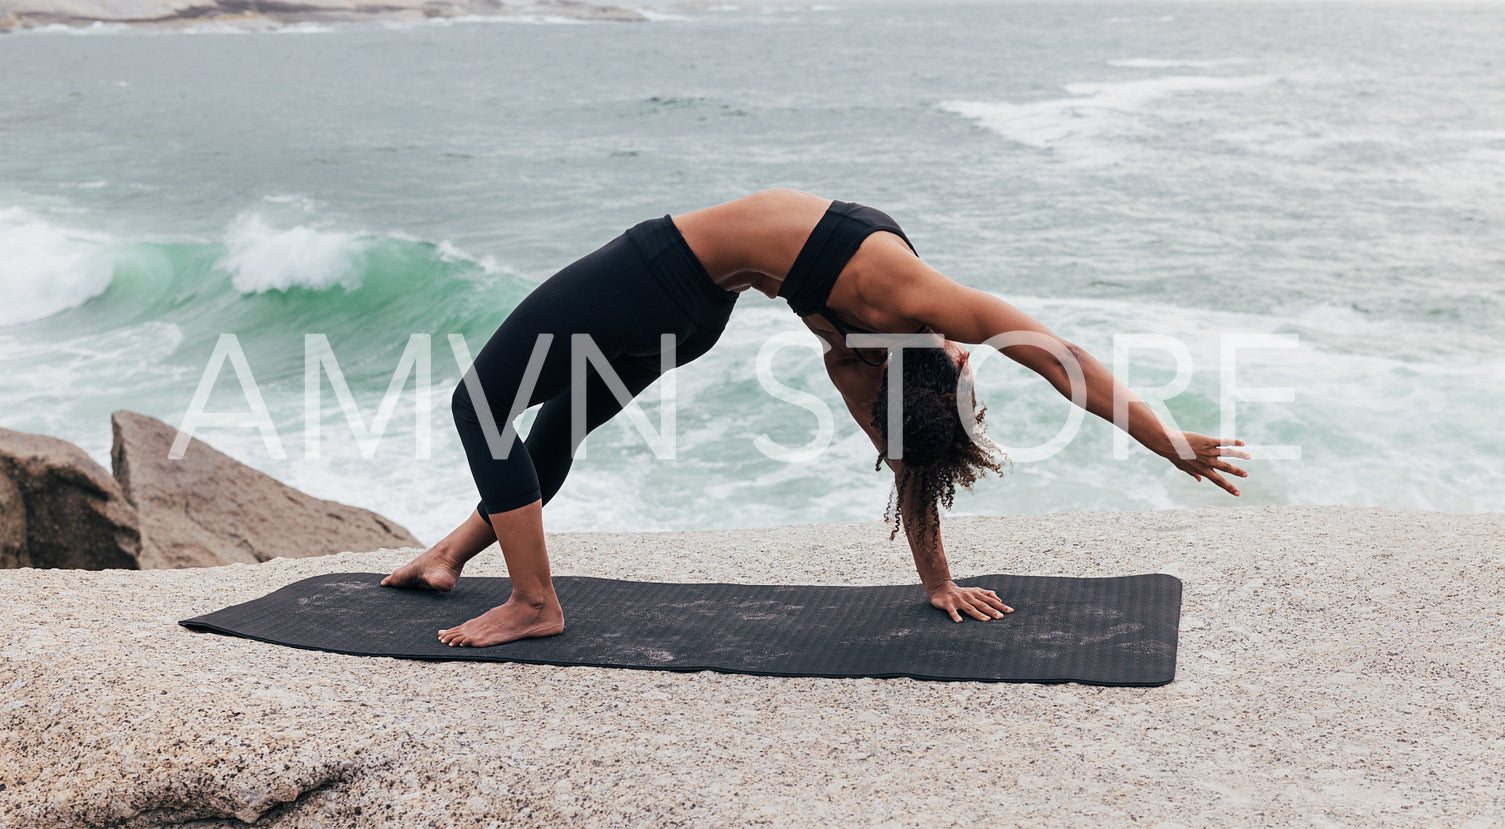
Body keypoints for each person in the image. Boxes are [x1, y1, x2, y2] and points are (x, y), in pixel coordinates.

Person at [382, 189, 1250, 647]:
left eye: (961, 369)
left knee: (481, 403)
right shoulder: (856, 360)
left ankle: (534, 600)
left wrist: (1170, 442)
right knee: (558, 427)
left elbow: (1060, 363)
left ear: (939, 367)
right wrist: (1164, 442)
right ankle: (454, 556)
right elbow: (951, 440)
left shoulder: (905, 311)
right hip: (697, 319)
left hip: (669, 271)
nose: (969, 357)